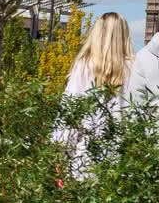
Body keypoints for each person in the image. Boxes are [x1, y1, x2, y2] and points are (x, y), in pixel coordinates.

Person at [52, 12, 131, 175]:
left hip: (85, 154)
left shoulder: (84, 66)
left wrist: (61, 152)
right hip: (122, 155)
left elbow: (70, 108)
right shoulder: (133, 67)